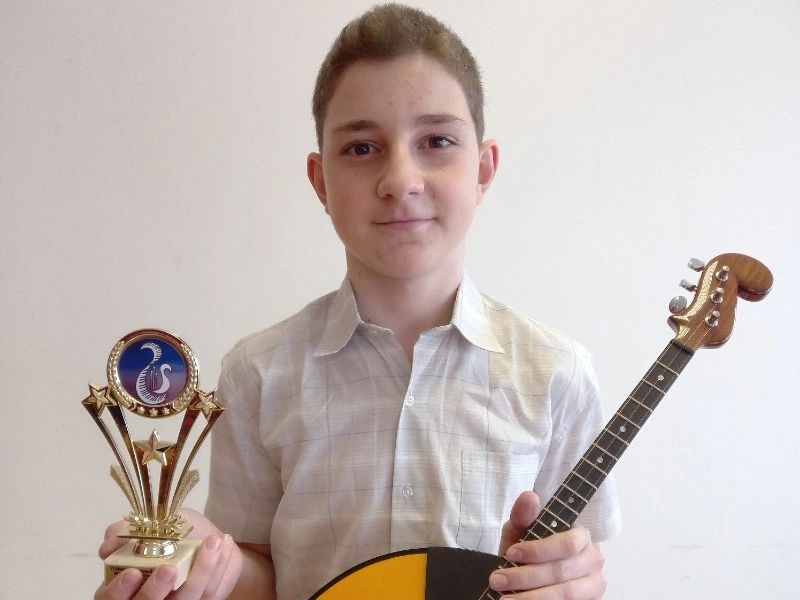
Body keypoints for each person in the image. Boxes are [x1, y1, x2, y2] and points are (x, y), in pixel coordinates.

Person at [96, 4, 621, 599]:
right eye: (362, 148)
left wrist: (574, 579)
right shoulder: (257, 375)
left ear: (483, 170)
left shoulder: (558, 376)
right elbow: (261, 575)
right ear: (321, 182)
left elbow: (575, 564)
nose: (400, 180)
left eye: (437, 141)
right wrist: (206, 561)